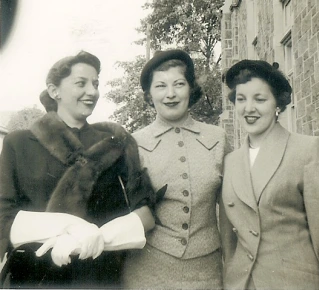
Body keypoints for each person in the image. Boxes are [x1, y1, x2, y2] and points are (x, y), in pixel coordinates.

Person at [0, 51, 157, 288]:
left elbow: (146, 213)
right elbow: (4, 218)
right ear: (54, 91)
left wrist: (96, 238)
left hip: (98, 276)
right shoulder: (18, 143)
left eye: (95, 84)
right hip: (35, 277)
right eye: (80, 83)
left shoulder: (116, 143)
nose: (92, 92)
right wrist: (68, 228)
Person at [219, 59, 319, 290]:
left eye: (260, 99)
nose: (249, 108)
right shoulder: (230, 162)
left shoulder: (307, 150)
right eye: (241, 99)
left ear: (277, 105)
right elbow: (229, 242)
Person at [121, 49, 230, 289]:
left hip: (207, 274)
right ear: (149, 95)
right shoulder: (133, 143)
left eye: (179, 84)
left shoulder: (218, 138)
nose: (170, 94)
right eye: (160, 86)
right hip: (147, 273)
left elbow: (232, 213)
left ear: (190, 88)